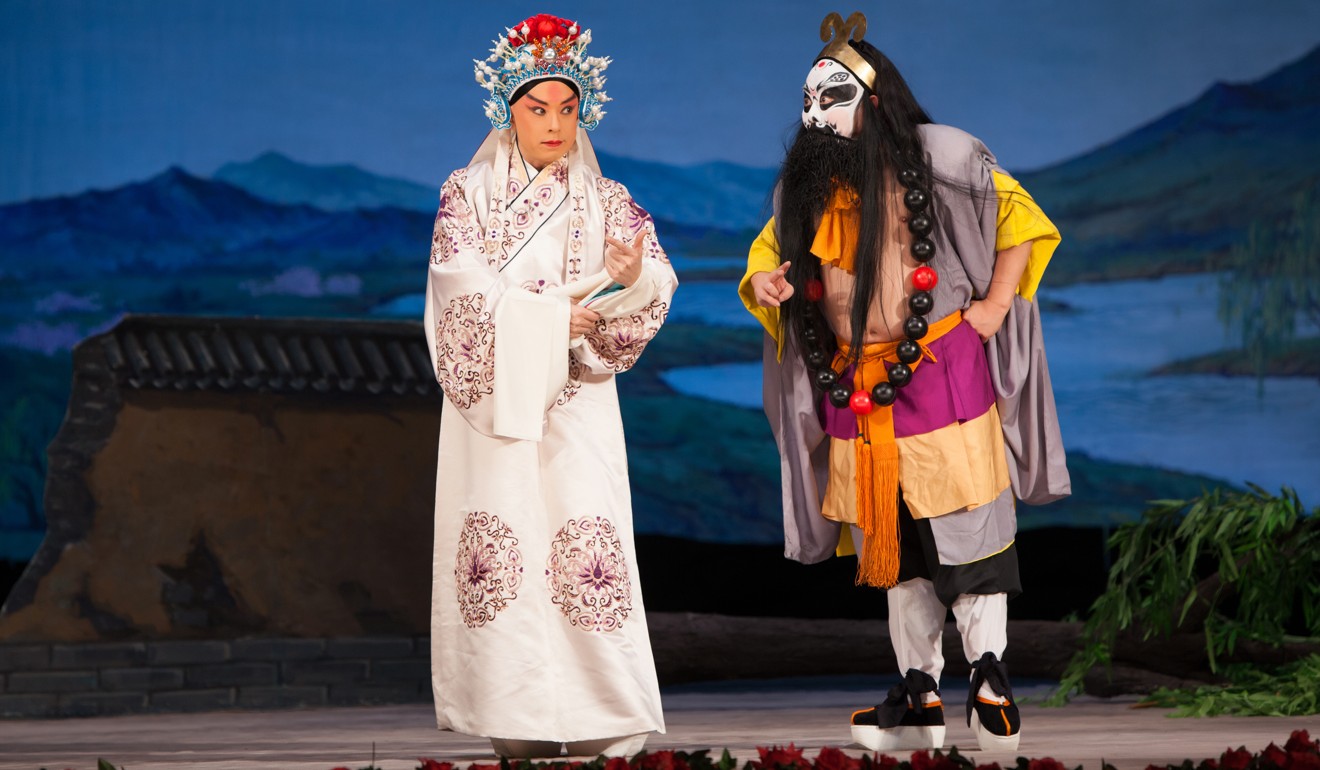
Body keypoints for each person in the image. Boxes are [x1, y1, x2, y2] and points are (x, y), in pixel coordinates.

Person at [739, 11, 1070, 754]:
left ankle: (989, 678)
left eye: (833, 98)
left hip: (941, 378)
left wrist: (989, 308)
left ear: (876, 99)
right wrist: (765, 284)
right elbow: (767, 264)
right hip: (858, 391)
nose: (816, 115)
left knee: (971, 539)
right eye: (808, 101)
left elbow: (1021, 219)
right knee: (896, 554)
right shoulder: (803, 190)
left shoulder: (943, 157)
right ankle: (920, 692)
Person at [424, 13, 676, 760]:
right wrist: (544, 320)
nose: (555, 124)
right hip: (495, 407)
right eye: (539, 108)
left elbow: (657, 276)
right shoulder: (464, 193)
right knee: (503, 541)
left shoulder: (608, 198)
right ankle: (515, 715)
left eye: (568, 109)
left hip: (577, 404)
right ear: (509, 110)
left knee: (584, 543)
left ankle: (606, 713)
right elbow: (455, 290)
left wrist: (628, 286)